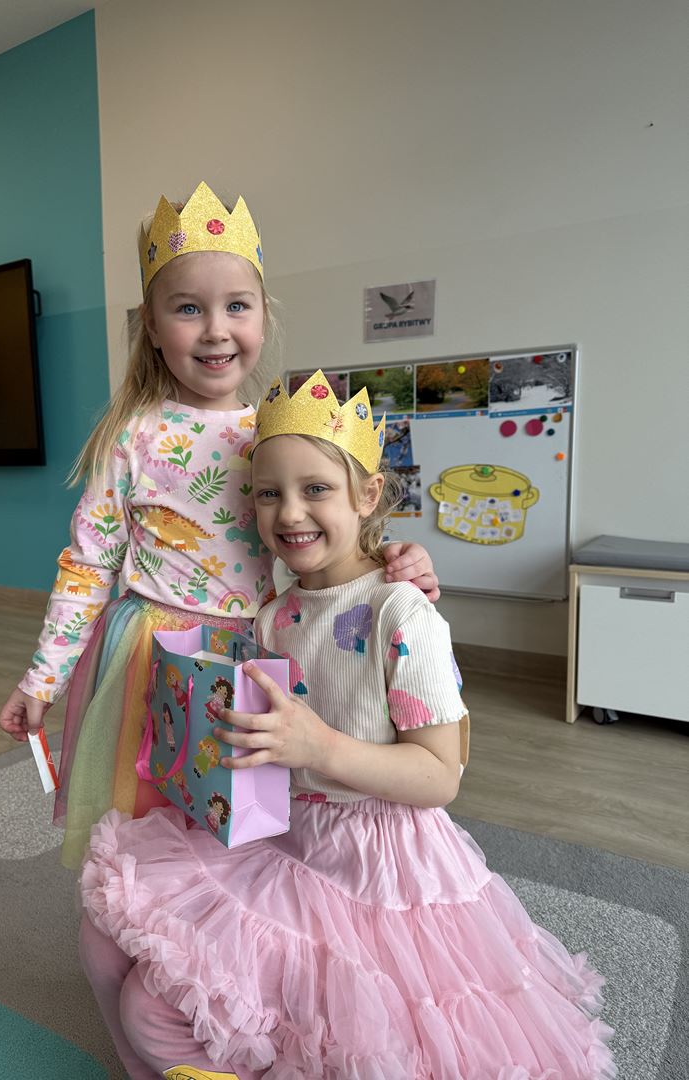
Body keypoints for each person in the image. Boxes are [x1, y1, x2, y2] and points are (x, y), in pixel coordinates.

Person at [77, 370, 615, 1079]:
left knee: (162, 1008)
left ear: (367, 495)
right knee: (107, 943)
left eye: (316, 489)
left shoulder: (404, 613)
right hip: (287, 834)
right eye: (268, 493)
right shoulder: (275, 615)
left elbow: (439, 776)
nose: (290, 512)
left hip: (379, 864)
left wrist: (319, 746)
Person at [0, 183, 439, 868]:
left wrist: (395, 563)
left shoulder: (277, 434)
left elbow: (328, 538)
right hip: (148, 655)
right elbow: (87, 566)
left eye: (237, 305)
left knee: (244, 826)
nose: (215, 329)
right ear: (150, 324)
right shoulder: (132, 437)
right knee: (146, 825)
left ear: (263, 314)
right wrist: (42, 680)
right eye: (187, 308)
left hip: (260, 648)